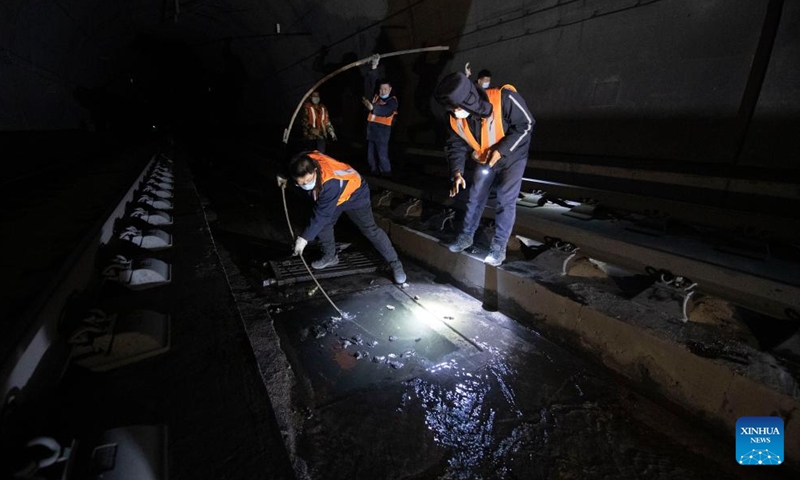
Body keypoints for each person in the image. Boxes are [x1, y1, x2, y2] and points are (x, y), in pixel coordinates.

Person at [433, 72, 535, 266]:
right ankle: (466, 236)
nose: (455, 112)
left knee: (505, 200)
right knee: (475, 197)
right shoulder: (454, 117)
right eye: (451, 109)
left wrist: (502, 151)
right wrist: (457, 172)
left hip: (513, 157)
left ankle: (498, 247)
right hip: (485, 158)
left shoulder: (504, 98)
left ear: (469, 101)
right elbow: (456, 144)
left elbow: (526, 125)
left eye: (457, 108)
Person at [279, 151, 407, 284]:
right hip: (336, 195)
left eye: (309, 180)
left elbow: (322, 215)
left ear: (315, 170)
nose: (306, 185)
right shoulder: (302, 160)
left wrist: (304, 238)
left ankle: (395, 264)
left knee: (370, 230)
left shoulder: (330, 182)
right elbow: (289, 164)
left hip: (355, 193)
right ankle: (330, 257)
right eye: (301, 183)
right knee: (323, 226)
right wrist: (282, 175)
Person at [361, 54, 397, 178]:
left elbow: (387, 111)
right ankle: (374, 173)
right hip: (371, 129)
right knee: (370, 155)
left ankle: (386, 174)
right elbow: (373, 82)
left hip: (383, 131)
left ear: (390, 89)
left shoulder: (392, 101)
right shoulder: (375, 97)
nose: (383, 91)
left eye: (386, 89)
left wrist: (373, 108)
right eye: (381, 89)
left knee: (382, 154)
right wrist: (374, 66)